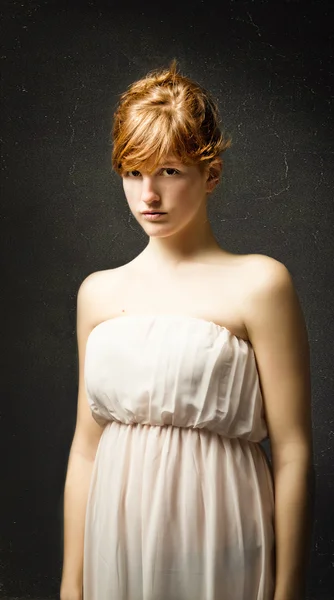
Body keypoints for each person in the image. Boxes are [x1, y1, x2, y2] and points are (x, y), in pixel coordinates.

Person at [60, 60, 314, 600]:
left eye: (169, 171)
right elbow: (86, 447)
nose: (148, 194)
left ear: (211, 174)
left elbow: (292, 451)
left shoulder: (260, 284)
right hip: (117, 543)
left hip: (222, 540)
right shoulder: (97, 294)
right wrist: (70, 585)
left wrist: (288, 590)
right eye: (133, 172)